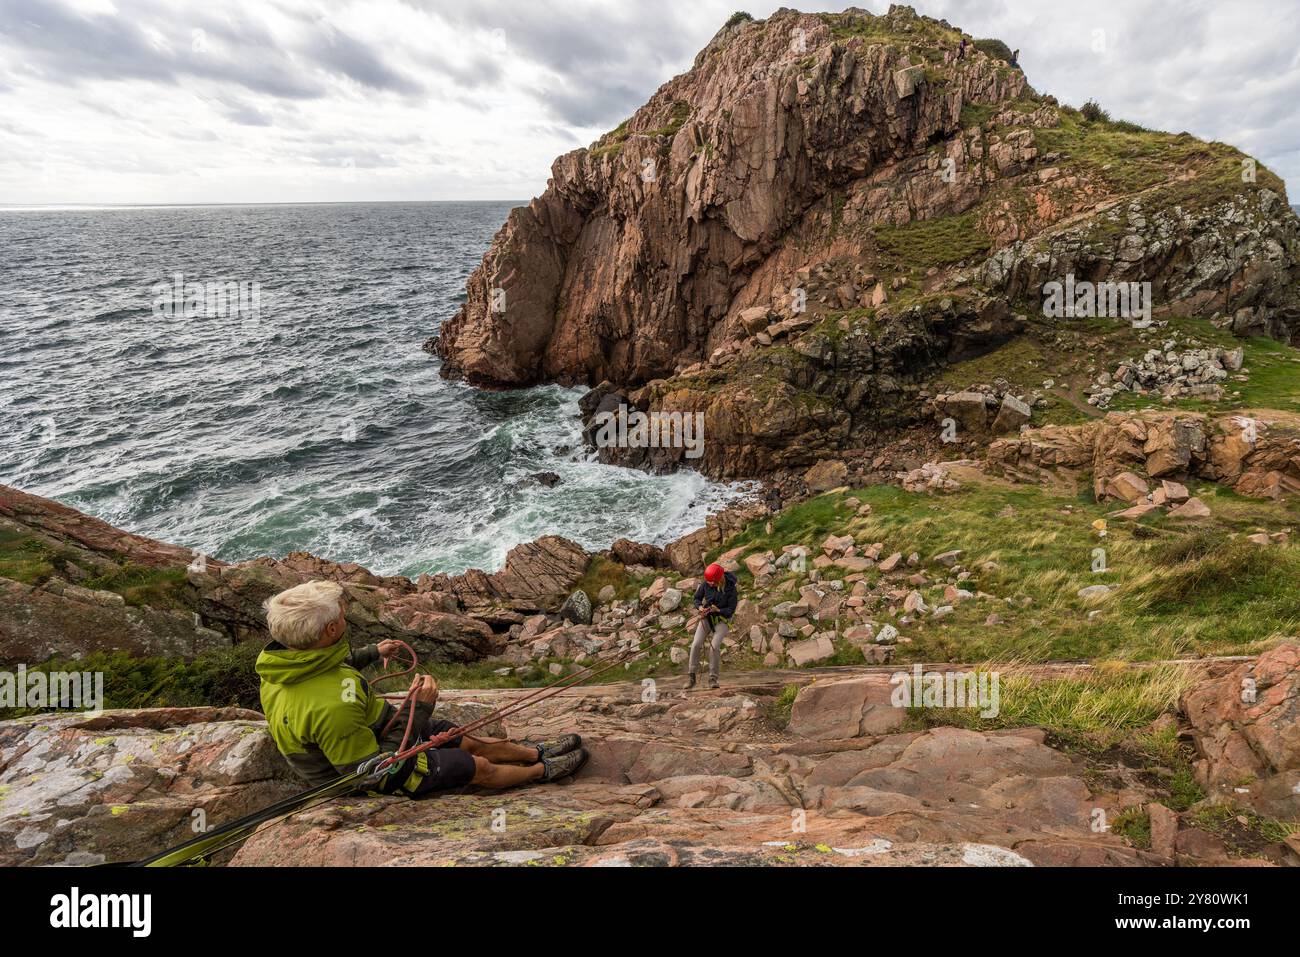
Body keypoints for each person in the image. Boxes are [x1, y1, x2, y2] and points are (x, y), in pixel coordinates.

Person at [256, 580, 587, 798]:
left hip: (375, 729)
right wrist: (422, 708)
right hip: (375, 770)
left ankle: (533, 752)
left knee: (462, 737)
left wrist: (374, 652)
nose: (347, 617)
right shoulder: (332, 708)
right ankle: (540, 771)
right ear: (330, 630)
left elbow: (331, 668)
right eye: (343, 616)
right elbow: (373, 770)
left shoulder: (285, 664)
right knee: (477, 767)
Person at [686, 562, 738, 690]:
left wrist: (718, 610)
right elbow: (697, 598)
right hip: (707, 617)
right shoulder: (706, 583)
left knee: (714, 646)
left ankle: (713, 679)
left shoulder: (731, 588)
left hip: (722, 619)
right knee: (696, 644)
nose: (710, 584)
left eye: (712, 583)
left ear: (719, 579)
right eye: (708, 582)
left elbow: (731, 610)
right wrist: (700, 607)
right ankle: (691, 677)